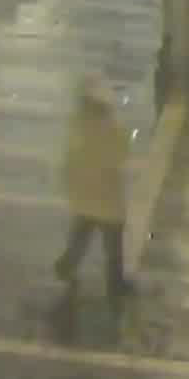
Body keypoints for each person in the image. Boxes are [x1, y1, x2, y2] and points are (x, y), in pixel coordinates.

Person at [54, 77, 132, 296]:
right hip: (106, 195)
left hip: (83, 193)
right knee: (113, 244)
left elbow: (69, 159)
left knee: (82, 231)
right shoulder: (110, 127)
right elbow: (121, 154)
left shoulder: (76, 123)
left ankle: (66, 265)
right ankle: (116, 284)